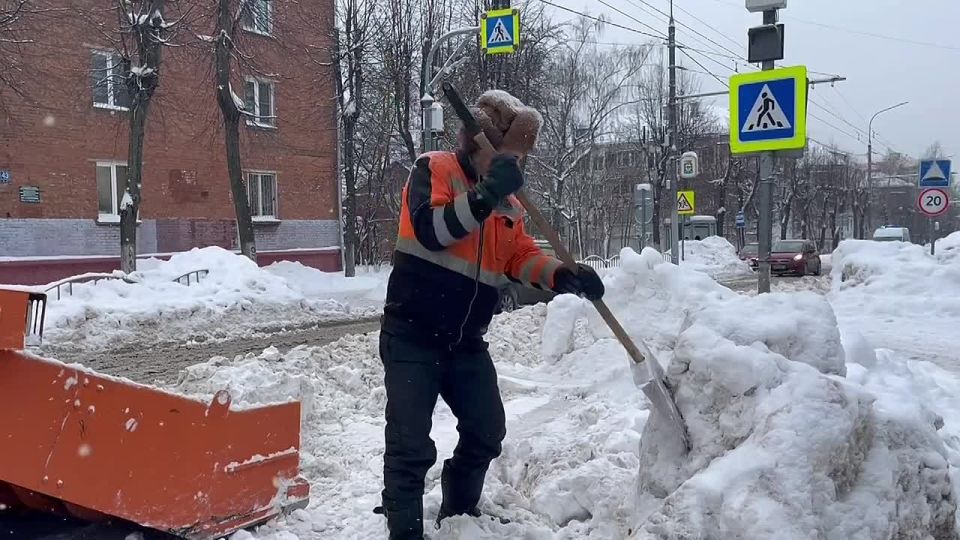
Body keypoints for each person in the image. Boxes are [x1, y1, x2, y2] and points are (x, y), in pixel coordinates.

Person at [376, 90, 605, 539]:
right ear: (474, 142)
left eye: (519, 158)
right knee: (409, 446)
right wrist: (484, 195)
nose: (513, 166)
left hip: (465, 343)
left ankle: (459, 515)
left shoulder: (510, 207)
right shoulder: (433, 169)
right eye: (507, 155)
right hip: (412, 335)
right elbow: (432, 229)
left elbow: (520, 258)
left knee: (486, 430)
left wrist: (564, 275)